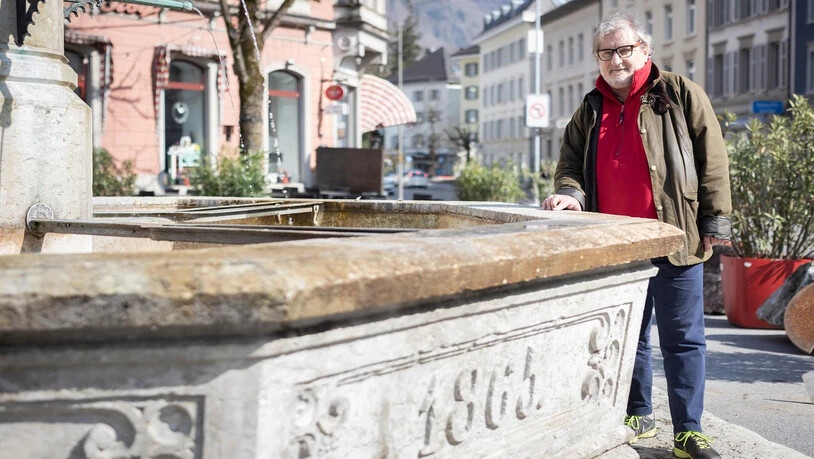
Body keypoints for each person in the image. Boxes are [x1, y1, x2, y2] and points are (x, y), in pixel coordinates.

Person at [543, 13, 731, 459]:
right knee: (629, 335)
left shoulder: (681, 93)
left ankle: (688, 431)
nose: (615, 59)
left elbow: (713, 160)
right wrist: (570, 194)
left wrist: (715, 223)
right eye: (605, 53)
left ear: (644, 51)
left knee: (683, 338)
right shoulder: (590, 106)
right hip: (616, 245)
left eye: (624, 50)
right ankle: (638, 412)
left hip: (673, 237)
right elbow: (569, 161)